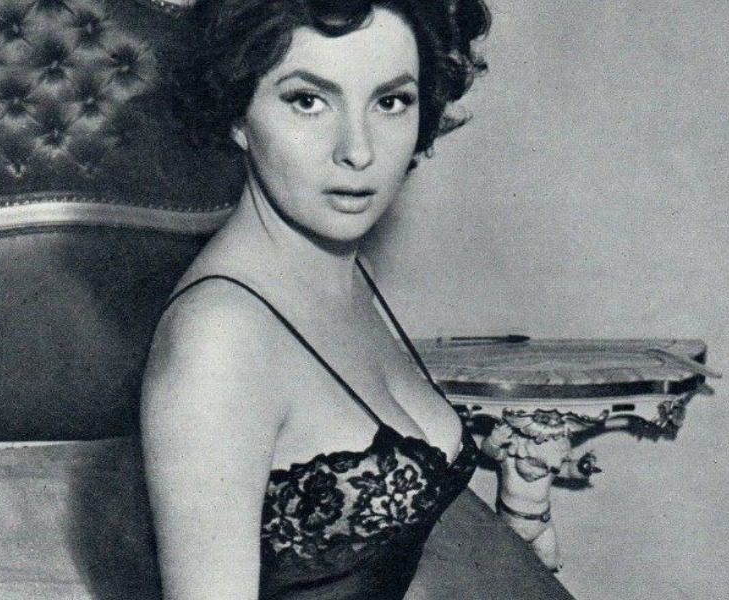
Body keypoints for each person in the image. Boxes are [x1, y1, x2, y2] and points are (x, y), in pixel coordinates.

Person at [139, 1, 491, 598]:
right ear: (237, 114)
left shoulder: (345, 273)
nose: (358, 151)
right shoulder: (218, 338)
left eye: (390, 102)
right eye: (308, 100)